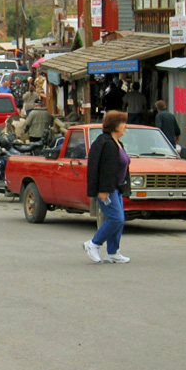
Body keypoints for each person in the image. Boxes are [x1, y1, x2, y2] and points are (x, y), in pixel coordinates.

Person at [84, 111, 131, 264]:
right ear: (114, 125)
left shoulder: (117, 142)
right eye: (122, 123)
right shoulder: (105, 143)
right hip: (107, 189)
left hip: (117, 187)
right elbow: (103, 168)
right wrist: (103, 190)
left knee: (119, 219)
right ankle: (93, 244)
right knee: (116, 218)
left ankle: (113, 252)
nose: (125, 126)